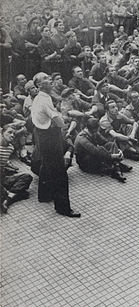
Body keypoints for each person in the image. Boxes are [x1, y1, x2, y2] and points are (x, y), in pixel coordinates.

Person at [31, 72, 80, 218]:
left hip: (41, 135)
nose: (49, 79)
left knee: (46, 164)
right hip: (49, 137)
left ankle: (44, 194)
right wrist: (63, 119)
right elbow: (60, 122)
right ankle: (63, 207)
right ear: (39, 85)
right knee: (60, 173)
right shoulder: (44, 100)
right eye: (46, 78)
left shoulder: (41, 98)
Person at [74, 117, 132, 183]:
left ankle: (116, 167)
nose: (97, 132)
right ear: (92, 129)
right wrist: (112, 156)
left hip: (93, 155)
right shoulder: (82, 138)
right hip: (85, 161)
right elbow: (95, 151)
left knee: (111, 144)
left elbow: (105, 142)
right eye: (96, 130)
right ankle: (117, 168)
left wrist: (118, 150)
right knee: (100, 150)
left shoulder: (94, 132)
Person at [0, 125, 33, 213]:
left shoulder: (10, 148)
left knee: (27, 177)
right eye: (9, 132)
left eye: (14, 134)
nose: (12, 135)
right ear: (2, 133)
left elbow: (4, 161)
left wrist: (8, 166)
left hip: (2, 177)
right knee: (24, 193)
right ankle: (12, 195)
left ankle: (8, 198)